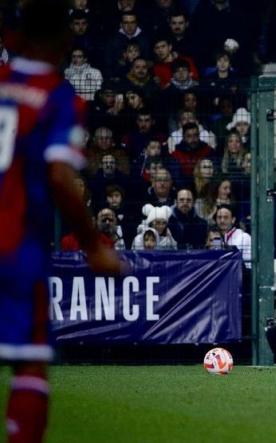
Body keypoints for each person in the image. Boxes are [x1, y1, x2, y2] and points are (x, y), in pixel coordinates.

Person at [0, 3, 122, 442]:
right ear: (60, 42)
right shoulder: (56, 94)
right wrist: (93, 244)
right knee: (30, 362)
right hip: (15, 244)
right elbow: (59, 175)